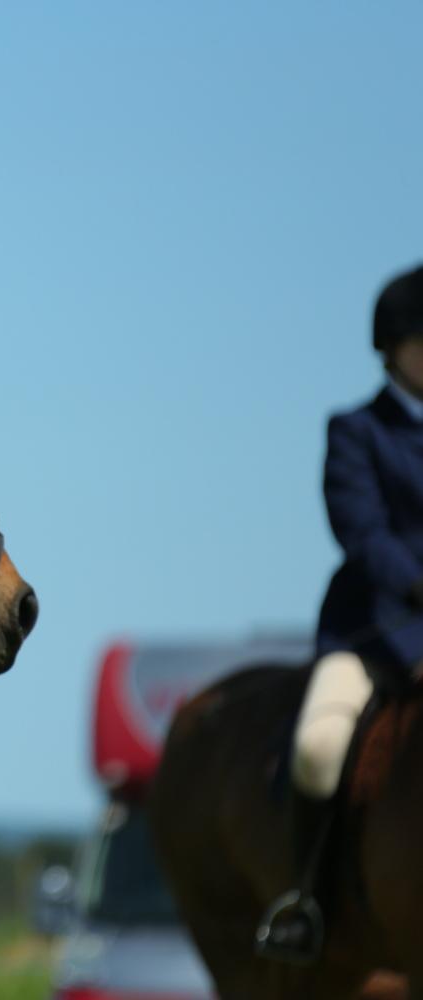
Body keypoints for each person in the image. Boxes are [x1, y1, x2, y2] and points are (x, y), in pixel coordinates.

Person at [257, 263, 423, 963]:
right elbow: (363, 533)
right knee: (320, 748)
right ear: (394, 349)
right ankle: (305, 902)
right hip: (377, 632)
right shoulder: (357, 430)